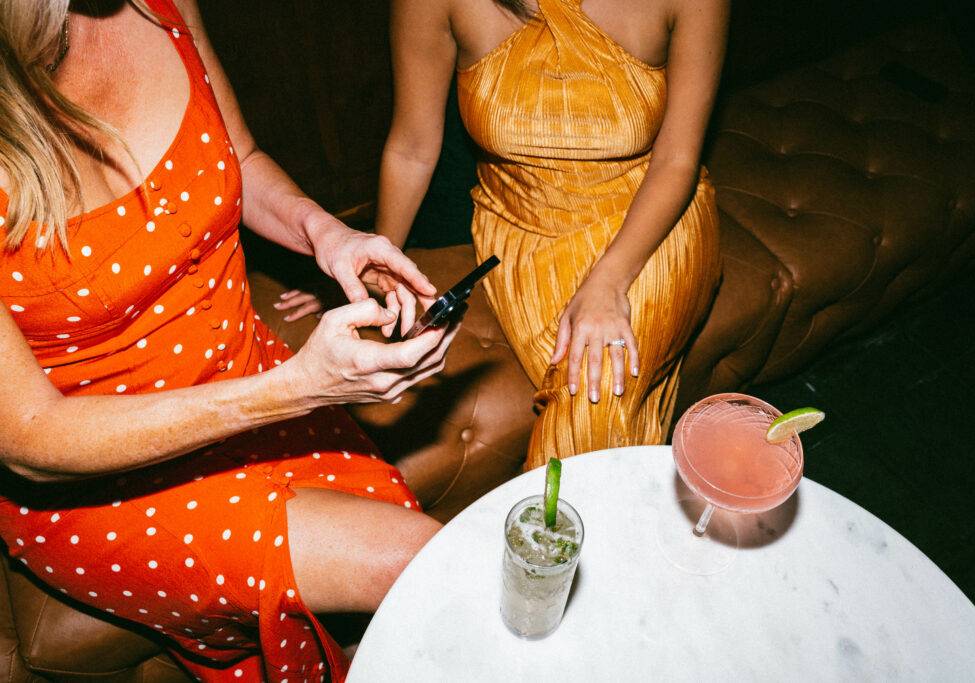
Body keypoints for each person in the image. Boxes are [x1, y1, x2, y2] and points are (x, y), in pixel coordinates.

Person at [0, 1, 457, 679]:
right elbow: (31, 439)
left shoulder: (163, 6)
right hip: (105, 476)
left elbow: (238, 157)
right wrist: (297, 389)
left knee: (401, 612)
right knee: (424, 564)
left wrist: (328, 235)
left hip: (249, 372)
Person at [370, 0, 728, 469]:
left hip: (649, 226)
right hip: (522, 232)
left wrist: (609, 281)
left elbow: (677, 161)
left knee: (596, 392)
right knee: (588, 390)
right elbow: (412, 148)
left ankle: (552, 518)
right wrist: (377, 256)